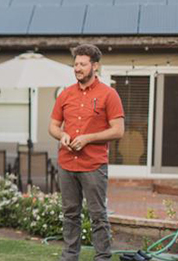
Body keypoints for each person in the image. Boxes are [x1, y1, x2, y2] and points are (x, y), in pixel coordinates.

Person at [49, 44, 124, 261]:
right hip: (66, 164)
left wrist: (88, 138)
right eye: (76, 64)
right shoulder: (65, 94)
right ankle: (70, 257)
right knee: (70, 215)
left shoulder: (109, 94)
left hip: (93, 166)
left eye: (82, 64)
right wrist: (61, 135)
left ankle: (102, 257)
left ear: (95, 66)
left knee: (98, 216)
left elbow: (118, 131)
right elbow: (53, 126)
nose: (78, 68)